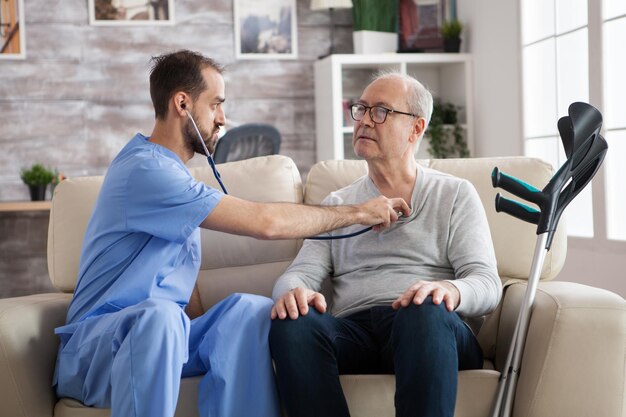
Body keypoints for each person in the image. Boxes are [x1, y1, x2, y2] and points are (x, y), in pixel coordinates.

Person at [52, 50, 410, 417]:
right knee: (160, 317)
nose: (223, 118)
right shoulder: (146, 171)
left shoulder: (175, 174)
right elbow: (264, 223)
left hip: (161, 339)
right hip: (95, 353)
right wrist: (359, 211)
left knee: (250, 311)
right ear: (182, 104)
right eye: (216, 104)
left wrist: (212, 334)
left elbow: (174, 279)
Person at [269, 72, 502, 417]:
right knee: (292, 322)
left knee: (423, 308)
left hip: (429, 326)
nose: (363, 120)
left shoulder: (453, 194)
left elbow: (487, 283)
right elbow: (300, 273)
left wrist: (447, 291)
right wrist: (292, 292)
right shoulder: (339, 204)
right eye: (360, 108)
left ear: (416, 128)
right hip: (356, 331)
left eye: (380, 111)